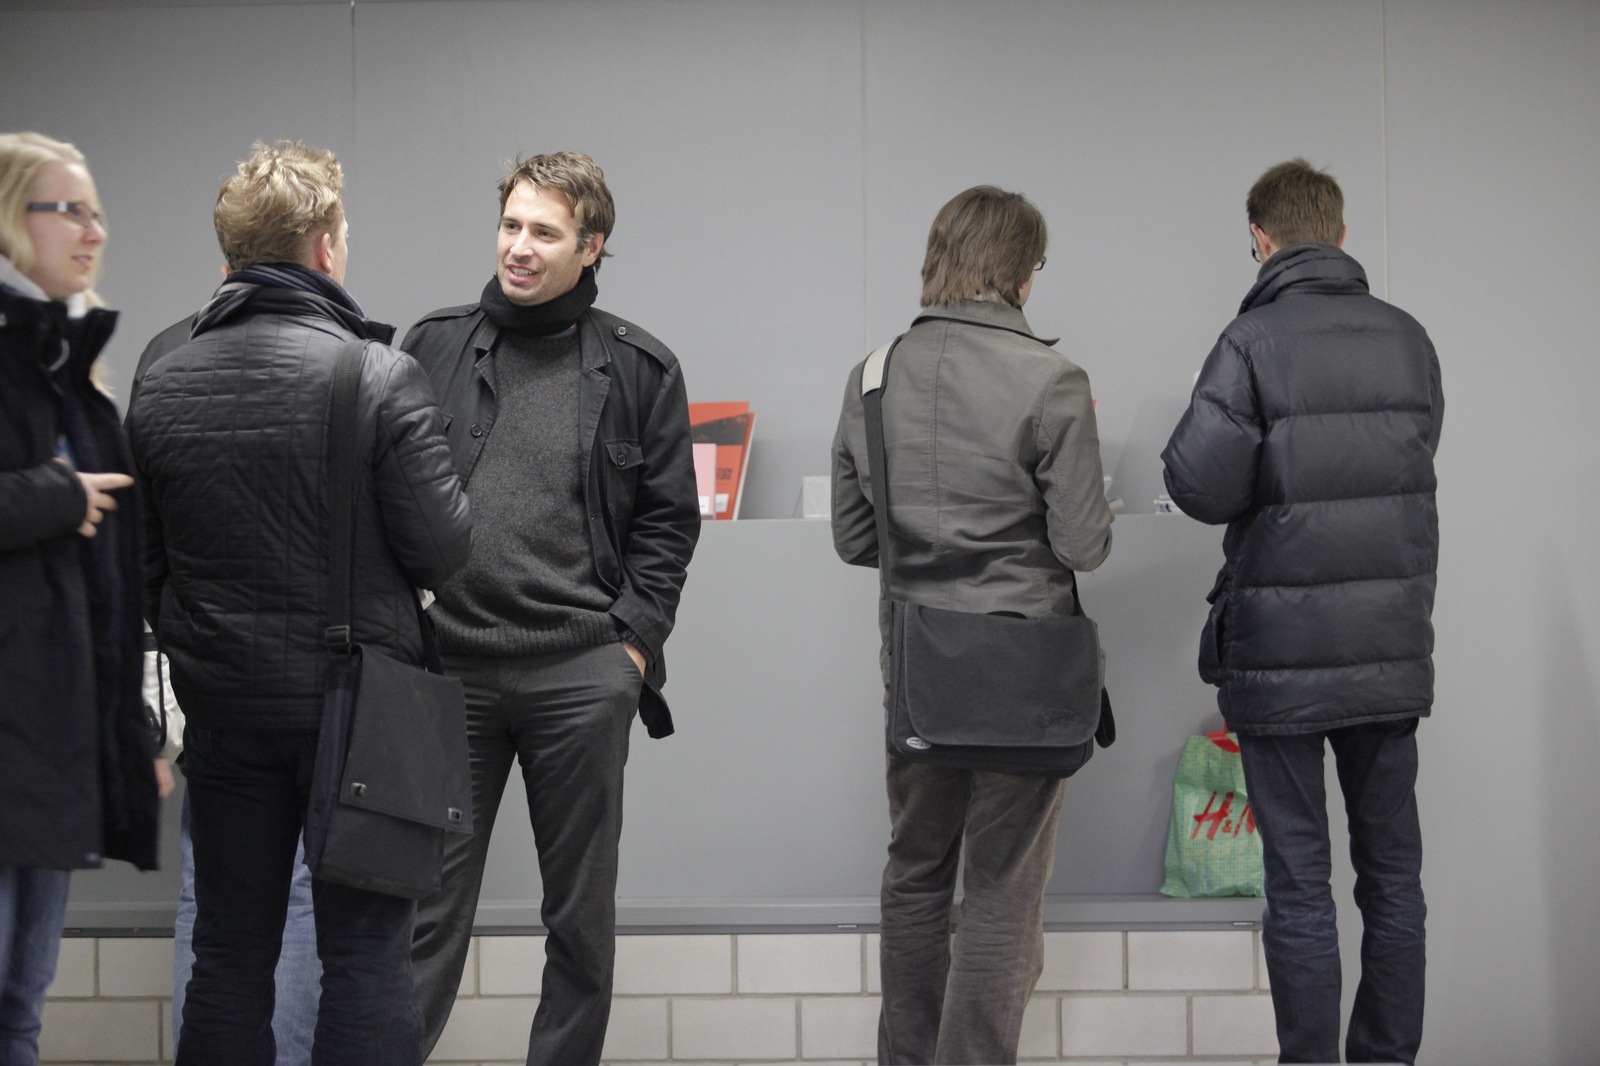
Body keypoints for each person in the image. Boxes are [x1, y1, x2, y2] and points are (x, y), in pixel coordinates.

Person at [126, 140, 472, 1066]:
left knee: (227, 955)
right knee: (366, 960)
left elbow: (147, 567)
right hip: (361, 716)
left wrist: (207, 643)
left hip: (225, 715)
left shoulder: (161, 382)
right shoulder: (376, 375)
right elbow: (446, 550)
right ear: (324, 246)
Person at [404, 151, 700, 1065]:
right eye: (511, 225)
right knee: (421, 916)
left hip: (580, 674)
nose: (519, 248)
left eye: (544, 231)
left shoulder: (641, 367)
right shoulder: (431, 348)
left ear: (591, 246)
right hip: (448, 671)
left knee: (578, 918)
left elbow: (668, 523)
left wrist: (630, 650)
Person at [1161, 158, 1442, 1065]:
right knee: (1393, 882)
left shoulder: (1250, 344)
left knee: (1300, 884)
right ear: (1342, 234)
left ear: (1260, 238)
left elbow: (1199, 486)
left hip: (1280, 659)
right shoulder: (1408, 339)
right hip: (1389, 650)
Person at [831, 186, 1113, 1064]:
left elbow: (854, 539)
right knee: (1001, 890)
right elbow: (1084, 545)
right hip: (1025, 674)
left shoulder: (873, 375)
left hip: (919, 670)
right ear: (1023, 270)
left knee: (915, 874)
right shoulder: (1054, 381)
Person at [0, 131, 167, 1065]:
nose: (94, 233)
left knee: (21, 1008)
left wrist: (130, 731)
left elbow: (108, 595)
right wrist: (53, 496)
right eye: (69, 210)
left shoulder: (73, 372)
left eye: (97, 213)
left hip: (51, 737)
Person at [132, 294, 322, 1066]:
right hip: (313, 678)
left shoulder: (166, 359)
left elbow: (146, 548)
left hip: (206, 677)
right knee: (302, 889)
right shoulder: (338, 357)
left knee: (209, 897)